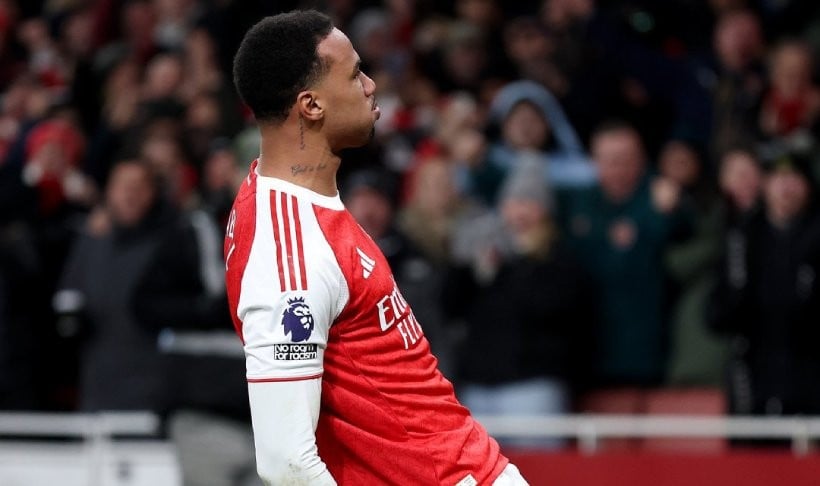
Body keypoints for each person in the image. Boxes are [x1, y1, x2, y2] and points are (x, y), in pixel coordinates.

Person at [227, 10, 527, 485]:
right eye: (354, 75)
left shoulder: (293, 201)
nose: (370, 86)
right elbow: (286, 462)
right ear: (311, 105)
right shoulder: (291, 253)